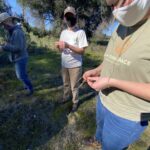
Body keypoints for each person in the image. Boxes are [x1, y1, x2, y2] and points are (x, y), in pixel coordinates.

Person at [83, 0, 150, 149]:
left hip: (129, 115)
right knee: (100, 131)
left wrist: (111, 82)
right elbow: (112, 58)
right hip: (103, 100)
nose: (117, 10)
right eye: (112, 6)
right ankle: (97, 140)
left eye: (121, 1)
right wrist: (97, 70)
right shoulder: (121, 25)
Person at [55, 6, 88, 112]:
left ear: (75, 16)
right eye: (67, 16)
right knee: (65, 84)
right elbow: (61, 50)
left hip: (75, 65)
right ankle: (65, 97)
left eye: (71, 15)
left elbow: (82, 51)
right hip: (64, 64)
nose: (69, 18)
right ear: (64, 19)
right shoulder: (63, 33)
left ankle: (75, 102)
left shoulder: (80, 32)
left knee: (74, 86)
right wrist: (58, 47)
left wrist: (68, 46)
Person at [0, 12, 33, 96]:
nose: (2, 26)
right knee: (22, 74)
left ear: (8, 21)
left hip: (21, 57)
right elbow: (11, 44)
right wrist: (4, 45)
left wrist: (4, 47)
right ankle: (27, 86)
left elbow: (18, 48)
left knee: (20, 76)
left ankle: (30, 89)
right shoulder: (11, 32)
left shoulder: (17, 32)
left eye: (3, 24)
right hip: (17, 58)